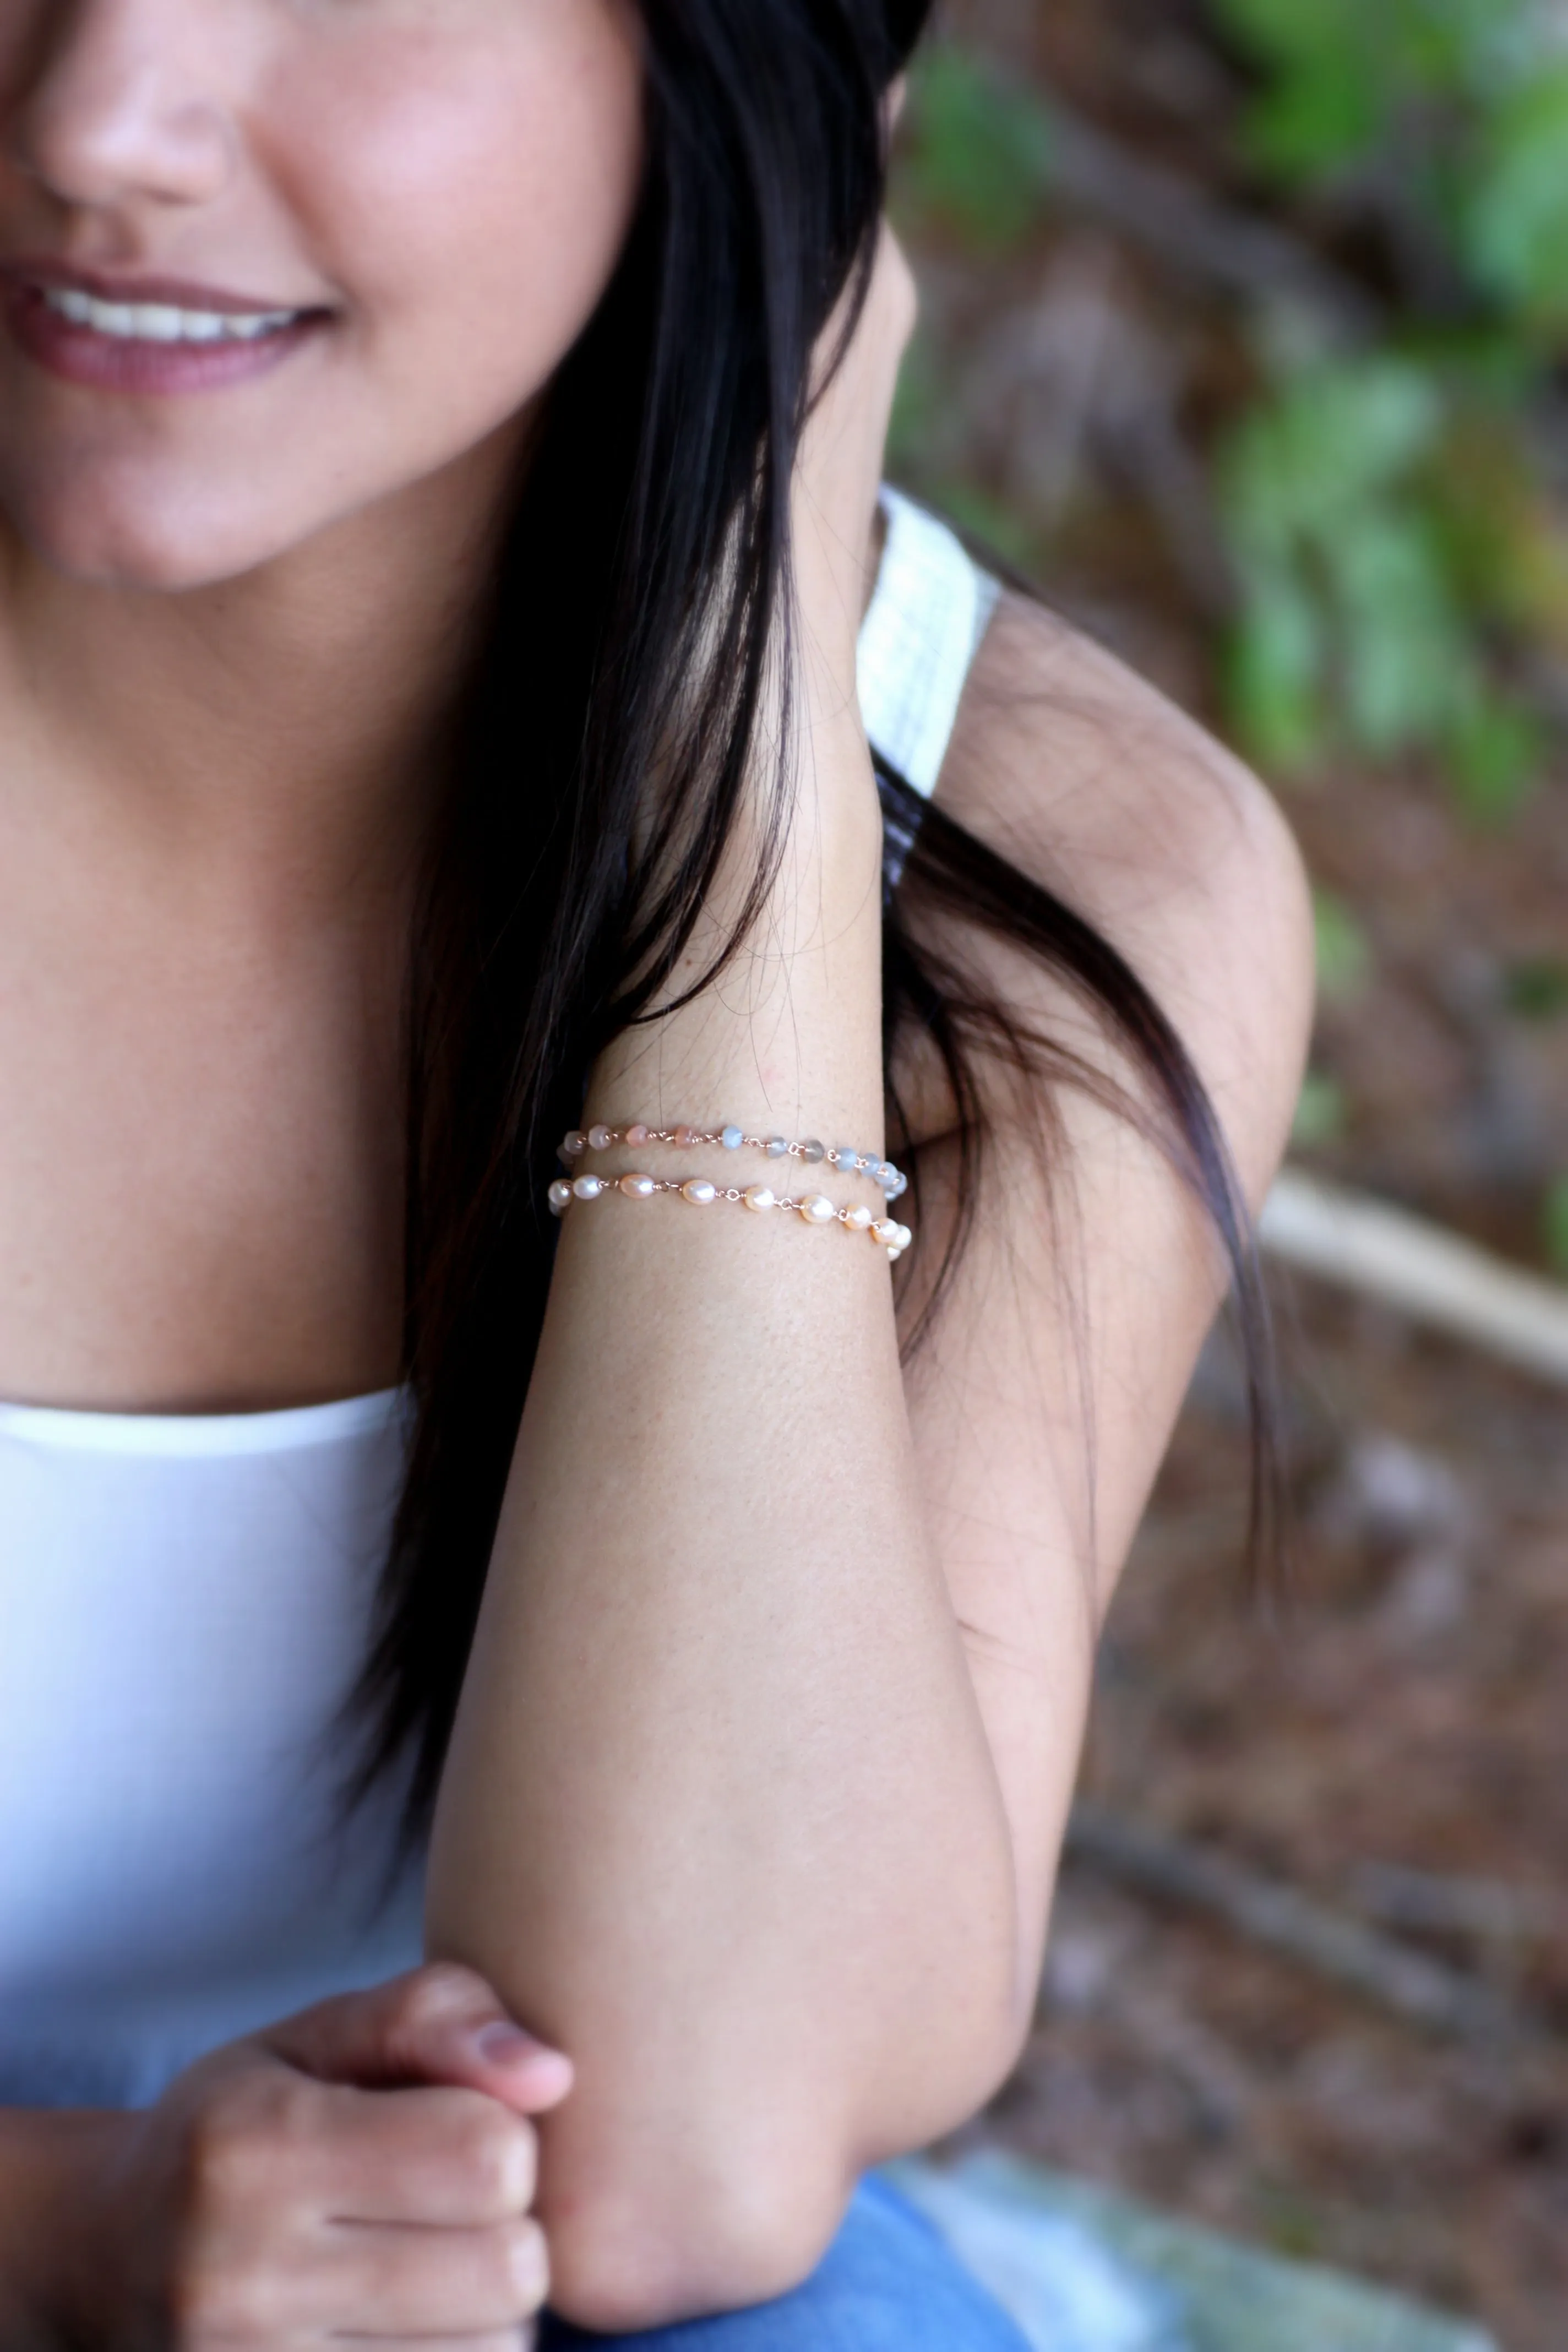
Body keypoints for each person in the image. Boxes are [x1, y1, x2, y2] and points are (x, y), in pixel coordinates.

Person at [0, 0, 1314, 2342]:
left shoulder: (1062, 875)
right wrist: (69, 2235)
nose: (102, 120)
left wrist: (751, 666)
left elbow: (675, 2155)